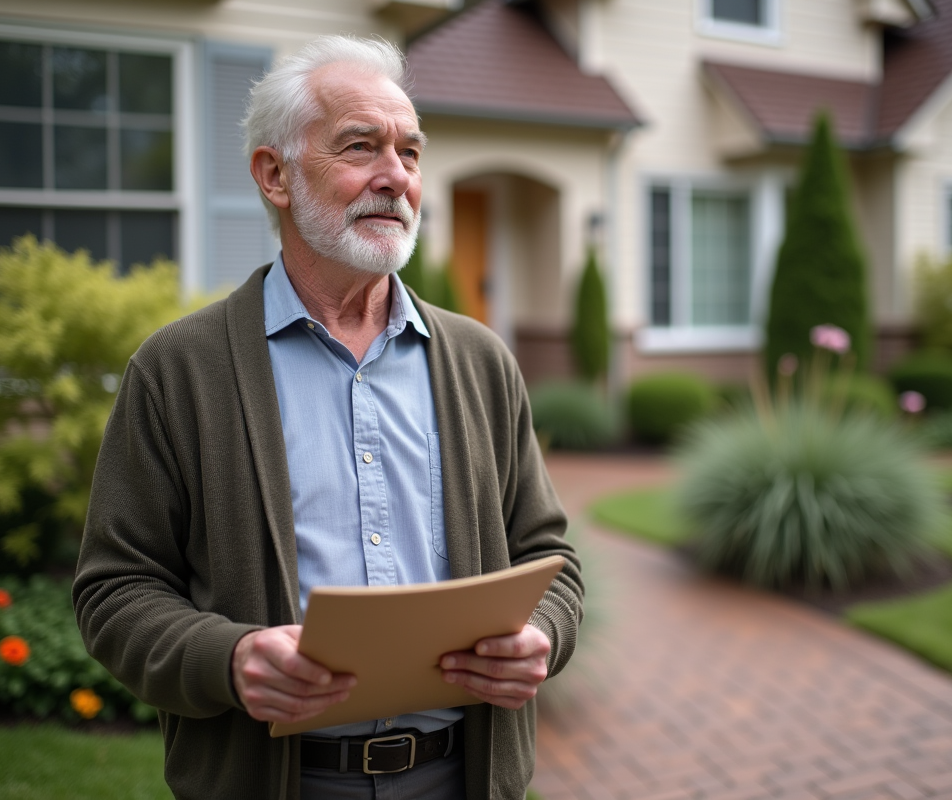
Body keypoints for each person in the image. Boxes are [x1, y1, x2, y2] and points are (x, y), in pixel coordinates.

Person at [73, 35, 582, 800]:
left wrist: (543, 631)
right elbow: (115, 591)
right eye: (361, 147)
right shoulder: (178, 370)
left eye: (410, 153)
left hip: (462, 777)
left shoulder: (480, 360)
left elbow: (551, 557)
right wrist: (229, 657)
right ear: (274, 175)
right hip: (274, 780)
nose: (396, 177)